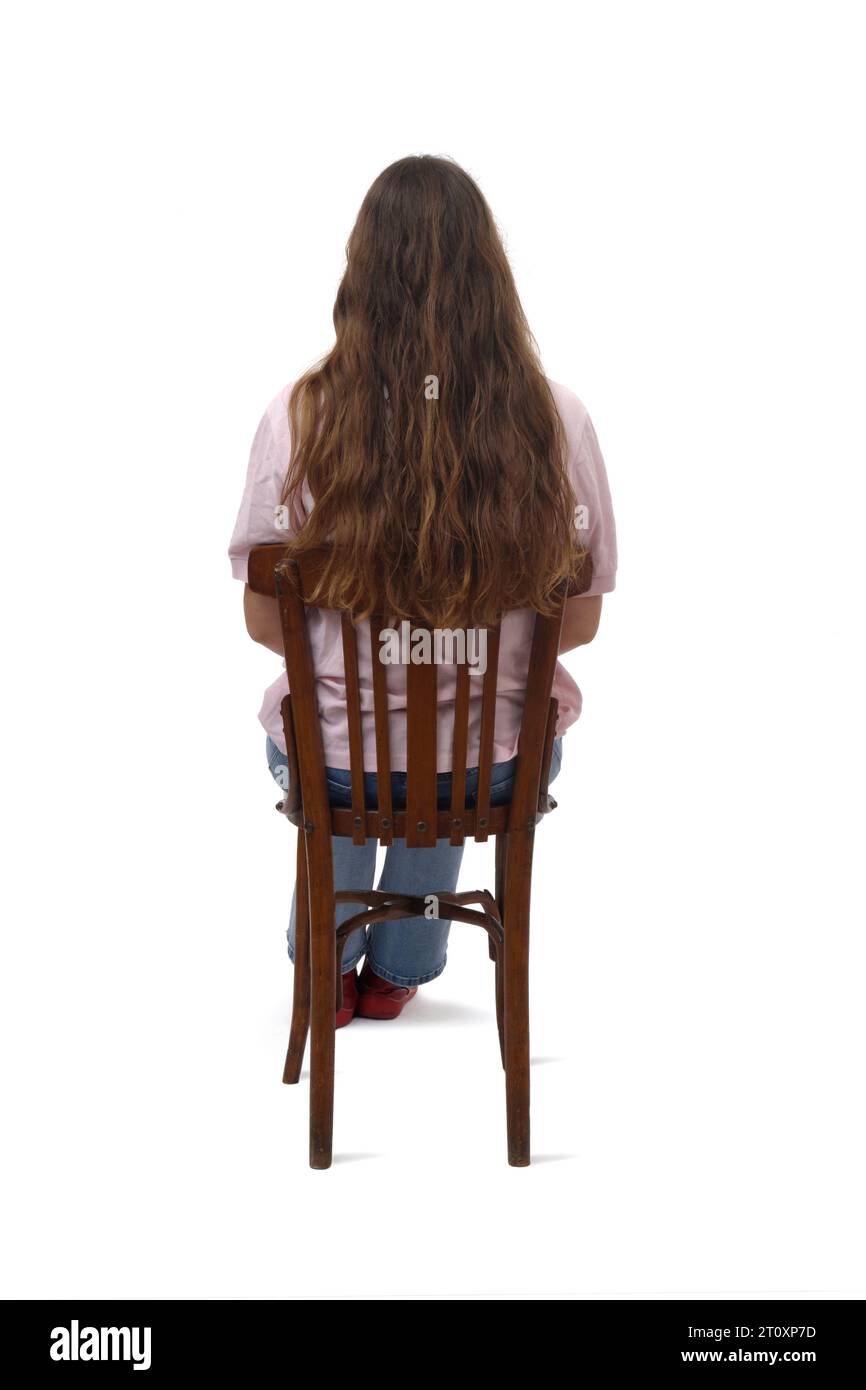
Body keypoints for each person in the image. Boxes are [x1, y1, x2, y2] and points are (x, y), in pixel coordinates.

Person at [229, 155, 617, 1026]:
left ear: (360, 274)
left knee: (345, 756)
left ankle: (323, 968)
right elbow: (581, 622)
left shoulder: (297, 416)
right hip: (491, 770)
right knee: (449, 758)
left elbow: (265, 621)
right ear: (492, 277)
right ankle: (400, 968)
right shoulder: (559, 420)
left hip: (335, 764)